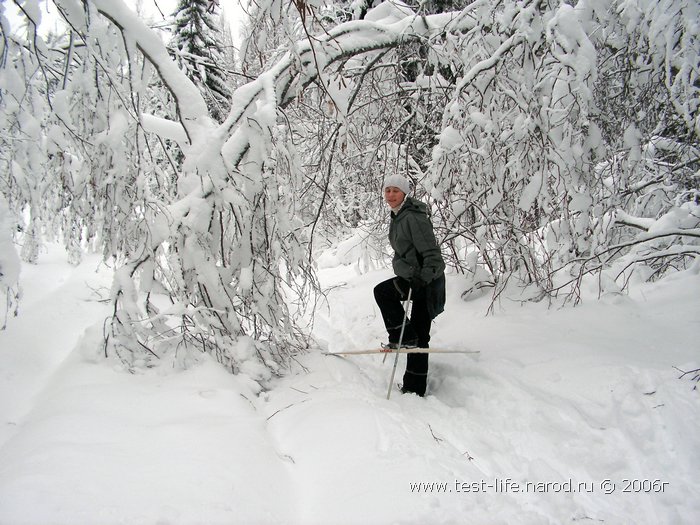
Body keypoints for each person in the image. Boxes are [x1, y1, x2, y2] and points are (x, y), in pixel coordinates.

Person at [374, 174, 446, 397]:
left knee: (419, 334)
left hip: (426, 282)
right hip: (413, 277)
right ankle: (413, 383)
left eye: (396, 190)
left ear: (405, 193)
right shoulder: (398, 215)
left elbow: (434, 256)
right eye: (388, 190)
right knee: (417, 337)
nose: (391, 195)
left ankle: (414, 385)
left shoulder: (413, 217)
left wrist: (423, 278)